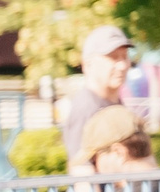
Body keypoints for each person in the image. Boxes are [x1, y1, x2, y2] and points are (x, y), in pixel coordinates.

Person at [55, 24, 131, 181]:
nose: (122, 65)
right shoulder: (86, 108)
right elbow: (82, 173)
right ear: (87, 65)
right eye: (113, 57)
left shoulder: (115, 104)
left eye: (124, 56)